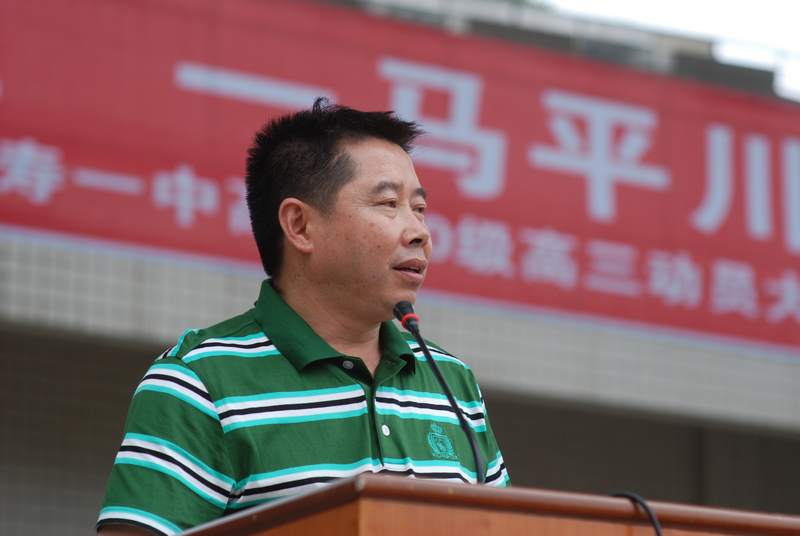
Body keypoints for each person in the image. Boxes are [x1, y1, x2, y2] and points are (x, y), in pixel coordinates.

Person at [96, 99, 509, 535]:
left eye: (419, 209)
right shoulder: (199, 383)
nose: (420, 232)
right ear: (300, 226)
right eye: (389, 203)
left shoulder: (453, 384)